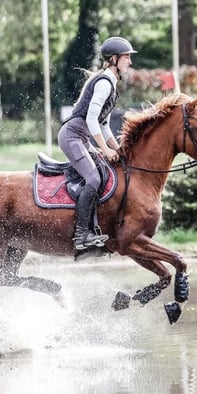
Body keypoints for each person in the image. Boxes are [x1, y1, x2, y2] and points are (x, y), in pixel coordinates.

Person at [58, 36, 136, 251]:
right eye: (126, 57)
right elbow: (91, 120)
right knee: (93, 178)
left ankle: (96, 229)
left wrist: (116, 148)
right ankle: (81, 235)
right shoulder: (103, 83)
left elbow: (102, 125)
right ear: (113, 59)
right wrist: (104, 149)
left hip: (81, 137)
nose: (129, 62)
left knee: (105, 173)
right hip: (72, 136)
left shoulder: (110, 83)